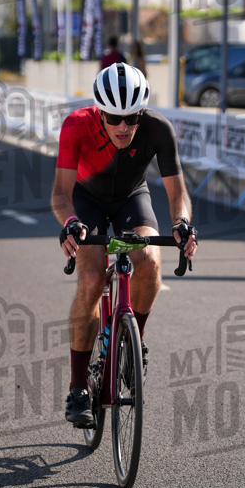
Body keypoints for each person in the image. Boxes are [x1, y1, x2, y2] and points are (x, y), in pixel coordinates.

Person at [51, 63, 198, 427]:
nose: (123, 127)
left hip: (132, 196)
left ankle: (134, 345)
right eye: (114, 117)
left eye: (131, 118)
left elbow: (177, 191)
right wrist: (71, 224)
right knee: (91, 280)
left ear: (142, 112)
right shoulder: (75, 125)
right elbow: (60, 194)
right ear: (99, 111)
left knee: (149, 262)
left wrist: (182, 224)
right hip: (87, 201)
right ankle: (78, 387)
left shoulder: (158, 130)